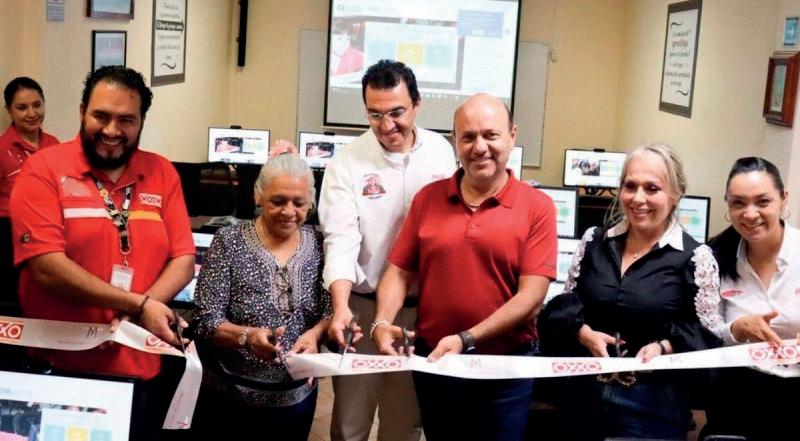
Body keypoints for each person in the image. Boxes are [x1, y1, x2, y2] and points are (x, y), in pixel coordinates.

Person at [9, 66, 195, 440]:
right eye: (101, 116)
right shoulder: (44, 169)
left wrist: (139, 310)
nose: (112, 130)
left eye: (126, 119)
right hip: (60, 370)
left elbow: (184, 260)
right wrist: (138, 305)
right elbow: (47, 267)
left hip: (140, 365)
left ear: (141, 122)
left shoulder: (161, 172)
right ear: (82, 112)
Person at [373, 93, 556, 441]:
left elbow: (532, 297)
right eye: (468, 137)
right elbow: (398, 271)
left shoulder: (538, 207)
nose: (479, 147)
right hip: (437, 363)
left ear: (512, 136)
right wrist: (381, 322)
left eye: (491, 135)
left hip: (505, 371)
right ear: (455, 141)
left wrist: (466, 339)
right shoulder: (428, 198)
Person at [537, 143, 720, 441]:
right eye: (630, 186)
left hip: (653, 405)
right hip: (584, 397)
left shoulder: (695, 258)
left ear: (675, 194)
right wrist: (582, 332)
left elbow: (707, 337)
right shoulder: (594, 242)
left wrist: (663, 347)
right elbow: (566, 307)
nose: (638, 198)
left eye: (652, 188)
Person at [319, 59, 456, 441]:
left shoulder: (441, 152)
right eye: (375, 114)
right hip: (361, 307)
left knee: (404, 422)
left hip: (421, 310)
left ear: (417, 105)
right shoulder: (347, 160)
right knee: (351, 420)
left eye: (397, 112)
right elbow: (341, 238)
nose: (386, 125)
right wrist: (341, 305)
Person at [190, 153, 331, 440]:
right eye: (278, 201)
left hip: (296, 402)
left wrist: (316, 335)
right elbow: (205, 320)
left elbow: (330, 312)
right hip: (229, 401)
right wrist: (246, 337)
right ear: (258, 195)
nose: (289, 211)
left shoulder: (320, 246)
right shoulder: (229, 241)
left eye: (299, 203)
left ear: (311, 203)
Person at [699, 157, 799, 441]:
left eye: (763, 201)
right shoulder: (713, 257)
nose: (750, 214)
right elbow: (705, 332)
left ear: (784, 199)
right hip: (737, 391)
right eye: (738, 203)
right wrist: (736, 329)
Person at [0, 77, 60, 314]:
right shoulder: (2, 149)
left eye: (37, 105)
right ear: (9, 110)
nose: (32, 113)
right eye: (22, 107)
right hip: (9, 238)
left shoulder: (54, 145)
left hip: (49, 234)